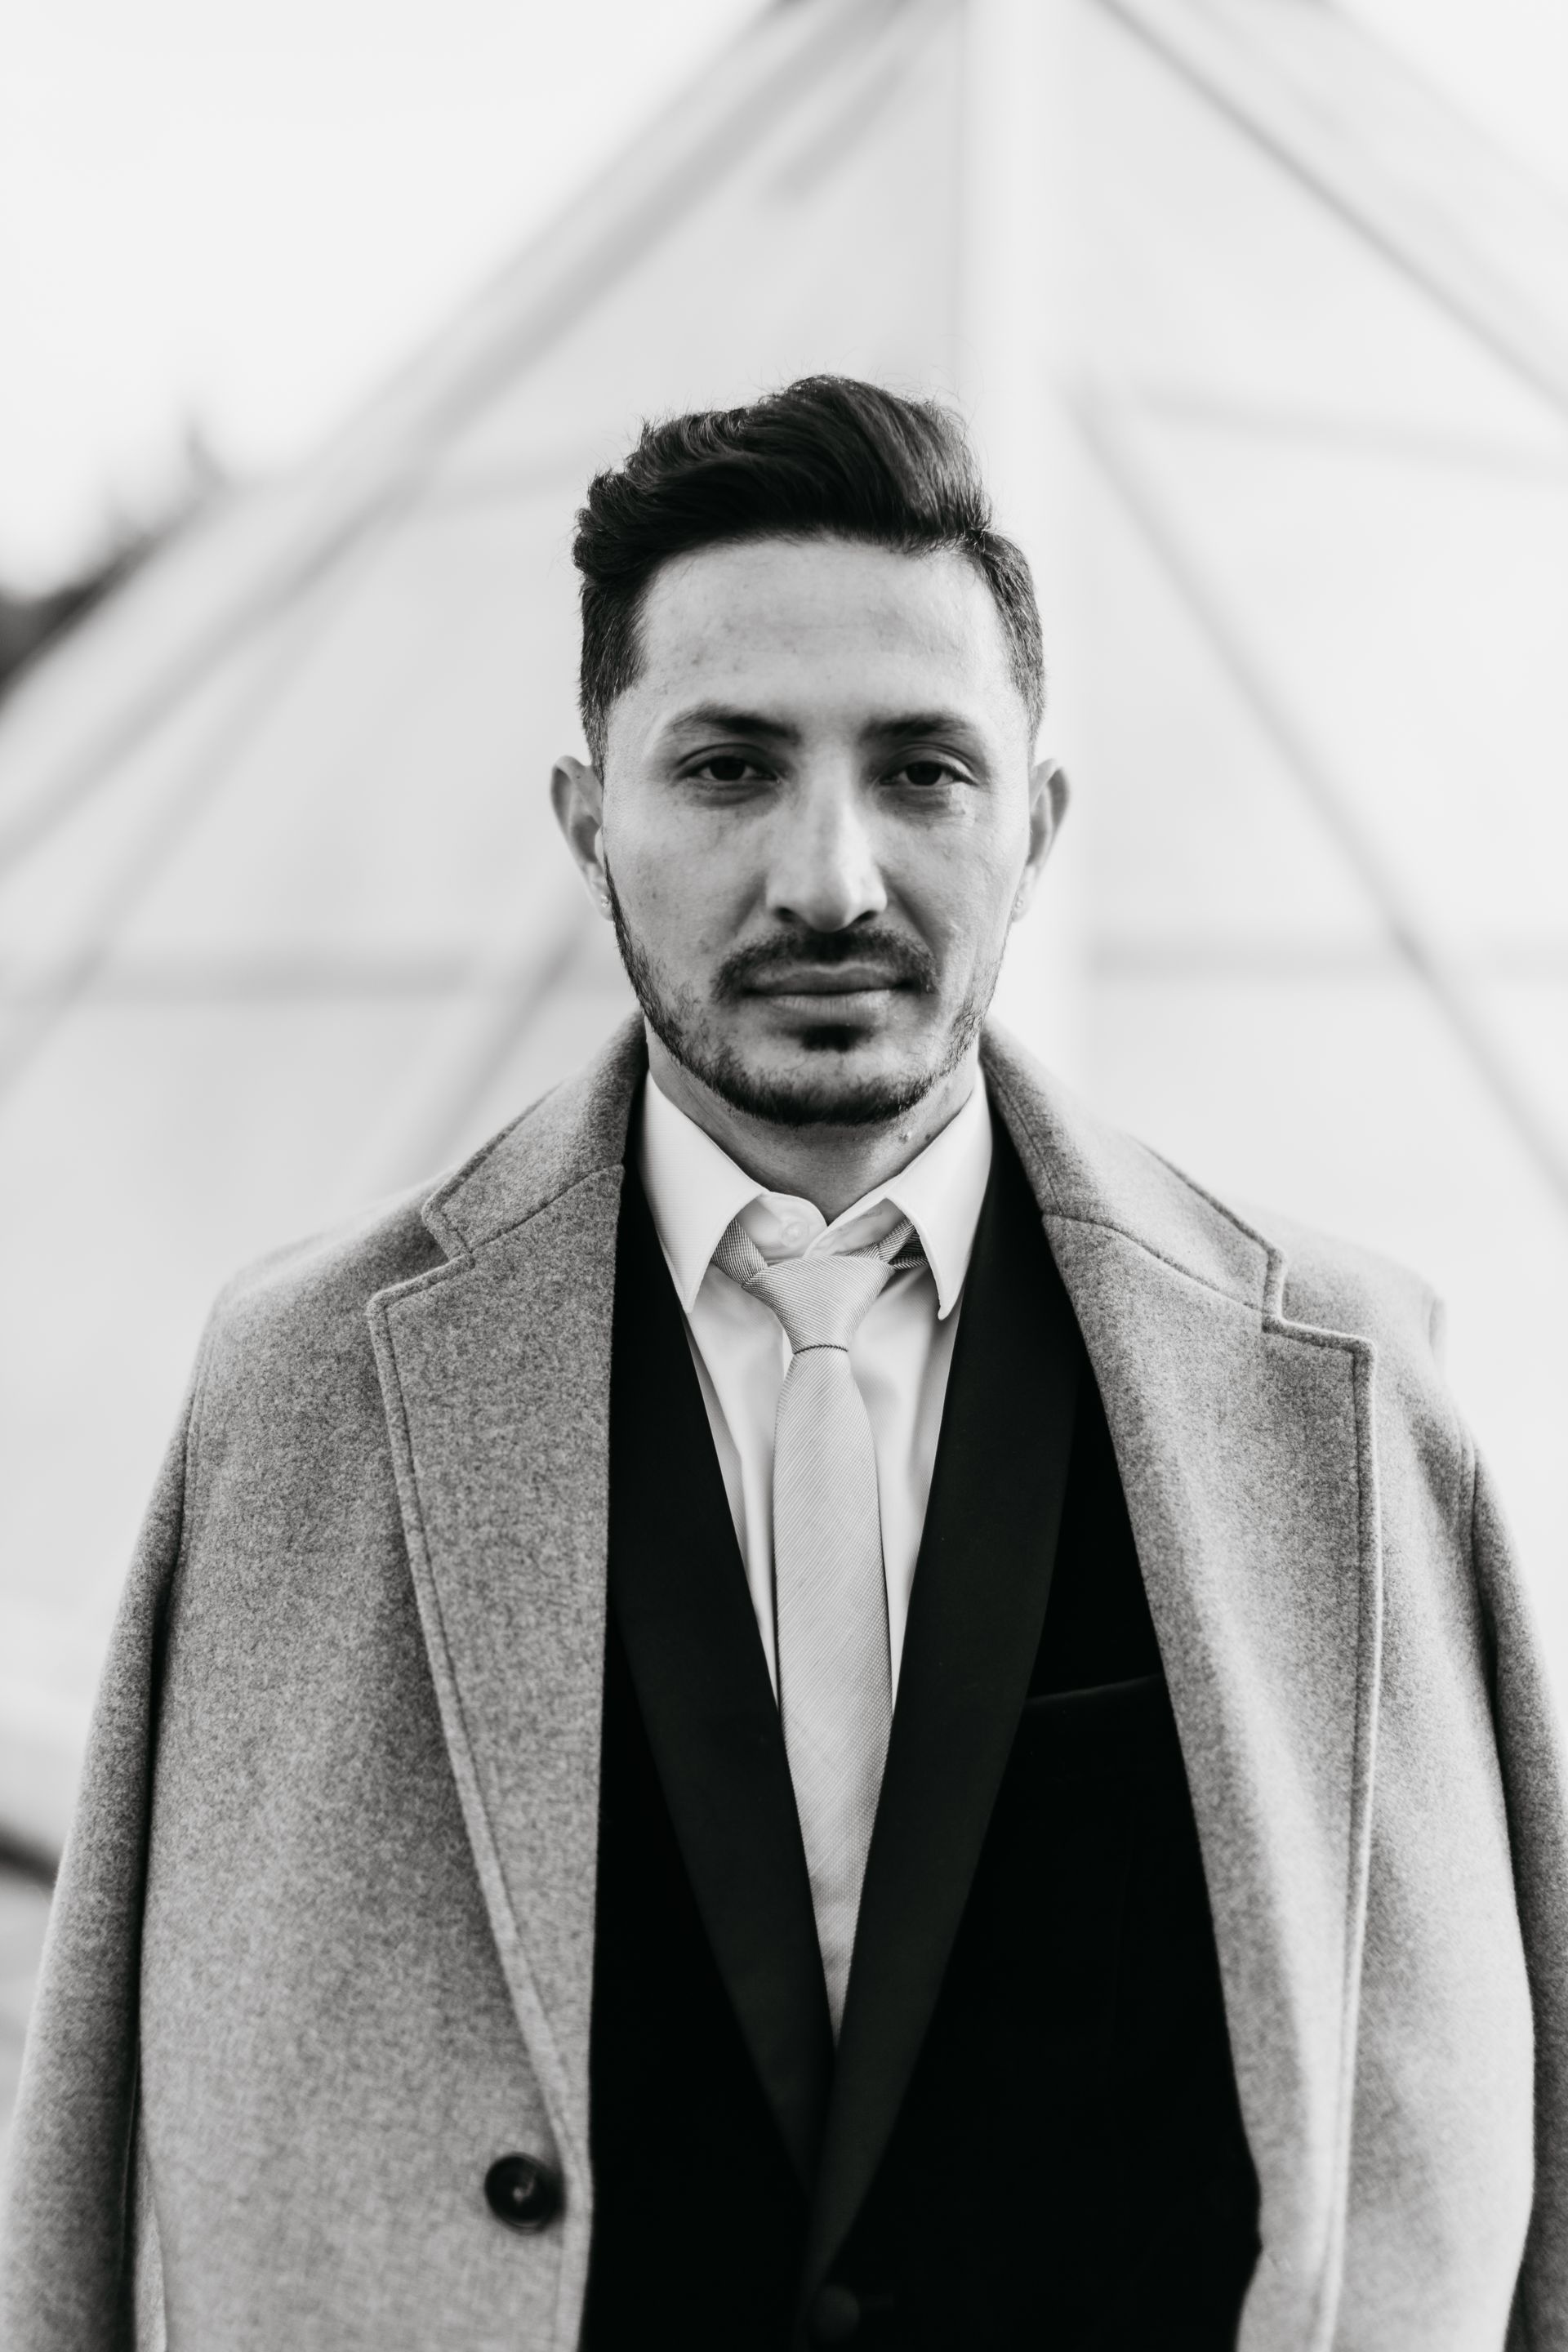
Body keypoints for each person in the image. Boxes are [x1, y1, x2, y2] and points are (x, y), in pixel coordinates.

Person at [2, 377, 1565, 2352]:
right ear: (588, 820)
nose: (831, 879)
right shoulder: (298, 1392)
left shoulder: (1347, 1398)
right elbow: (93, 2177)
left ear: (1039, 822)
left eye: (923, 771)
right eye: (730, 770)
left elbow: (1515, 2196)